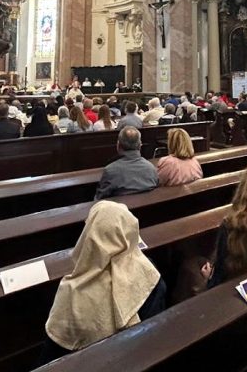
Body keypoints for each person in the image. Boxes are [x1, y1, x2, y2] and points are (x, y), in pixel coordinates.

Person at [41, 201, 166, 361]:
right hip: (141, 356)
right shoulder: (149, 271)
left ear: (90, 235)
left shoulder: (74, 293)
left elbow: (53, 352)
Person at [94, 126, 159, 199]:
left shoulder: (110, 171)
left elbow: (99, 198)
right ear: (140, 146)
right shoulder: (151, 168)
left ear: (118, 146)